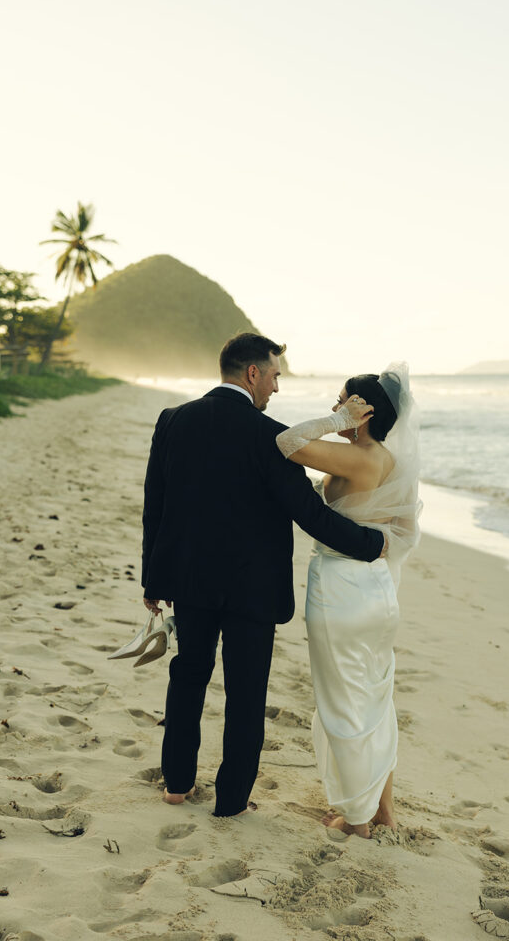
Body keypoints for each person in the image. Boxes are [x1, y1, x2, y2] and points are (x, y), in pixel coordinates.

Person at [141, 333, 387, 818]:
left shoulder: (174, 421)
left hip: (188, 580)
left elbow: (156, 504)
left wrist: (154, 580)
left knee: (187, 676)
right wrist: (373, 544)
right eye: (274, 375)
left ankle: (176, 785)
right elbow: (308, 514)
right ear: (253, 373)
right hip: (252, 589)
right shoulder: (269, 435)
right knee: (246, 694)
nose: (276, 387)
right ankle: (231, 801)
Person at [275, 362, 421, 837]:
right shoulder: (388, 461)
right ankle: (383, 809)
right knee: (375, 699)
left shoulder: (359, 456)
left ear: (364, 410)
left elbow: (287, 441)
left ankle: (356, 818)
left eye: (342, 400)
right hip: (376, 589)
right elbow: (396, 530)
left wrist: (341, 423)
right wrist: (346, 422)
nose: (334, 407)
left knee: (343, 702)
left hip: (343, 590)